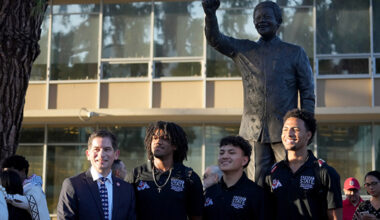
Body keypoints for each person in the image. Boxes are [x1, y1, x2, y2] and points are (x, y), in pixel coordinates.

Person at [202, 0, 315, 185]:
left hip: (285, 133)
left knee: (290, 182)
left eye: (266, 17)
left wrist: (307, 128)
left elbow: (308, 93)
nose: (261, 21)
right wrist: (210, 14)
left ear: (278, 21)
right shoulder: (244, 50)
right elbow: (215, 39)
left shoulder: (294, 52)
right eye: (257, 18)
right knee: (256, 185)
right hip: (252, 133)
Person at [265, 109, 342, 220]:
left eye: (295, 129)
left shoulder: (325, 172)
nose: (289, 134)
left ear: (308, 135)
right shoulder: (273, 172)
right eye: (285, 129)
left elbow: (335, 217)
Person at [126, 121, 203, 220]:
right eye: (155, 138)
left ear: (175, 145)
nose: (158, 141)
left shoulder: (189, 177)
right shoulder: (136, 174)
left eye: (164, 138)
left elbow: (196, 216)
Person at [57, 130, 136, 220]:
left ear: (116, 154)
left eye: (107, 149)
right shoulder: (73, 185)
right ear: (88, 154)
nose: (101, 154)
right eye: (96, 149)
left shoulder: (126, 189)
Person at [203, 136, 266, 220]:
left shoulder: (257, 194)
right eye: (221, 153)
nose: (224, 156)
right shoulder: (209, 192)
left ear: (244, 160)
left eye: (231, 153)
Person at [2, 155, 50, 220]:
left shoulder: (34, 187)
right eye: (5, 173)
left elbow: (27, 202)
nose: (8, 176)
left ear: (23, 171)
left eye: (11, 173)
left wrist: (5, 197)